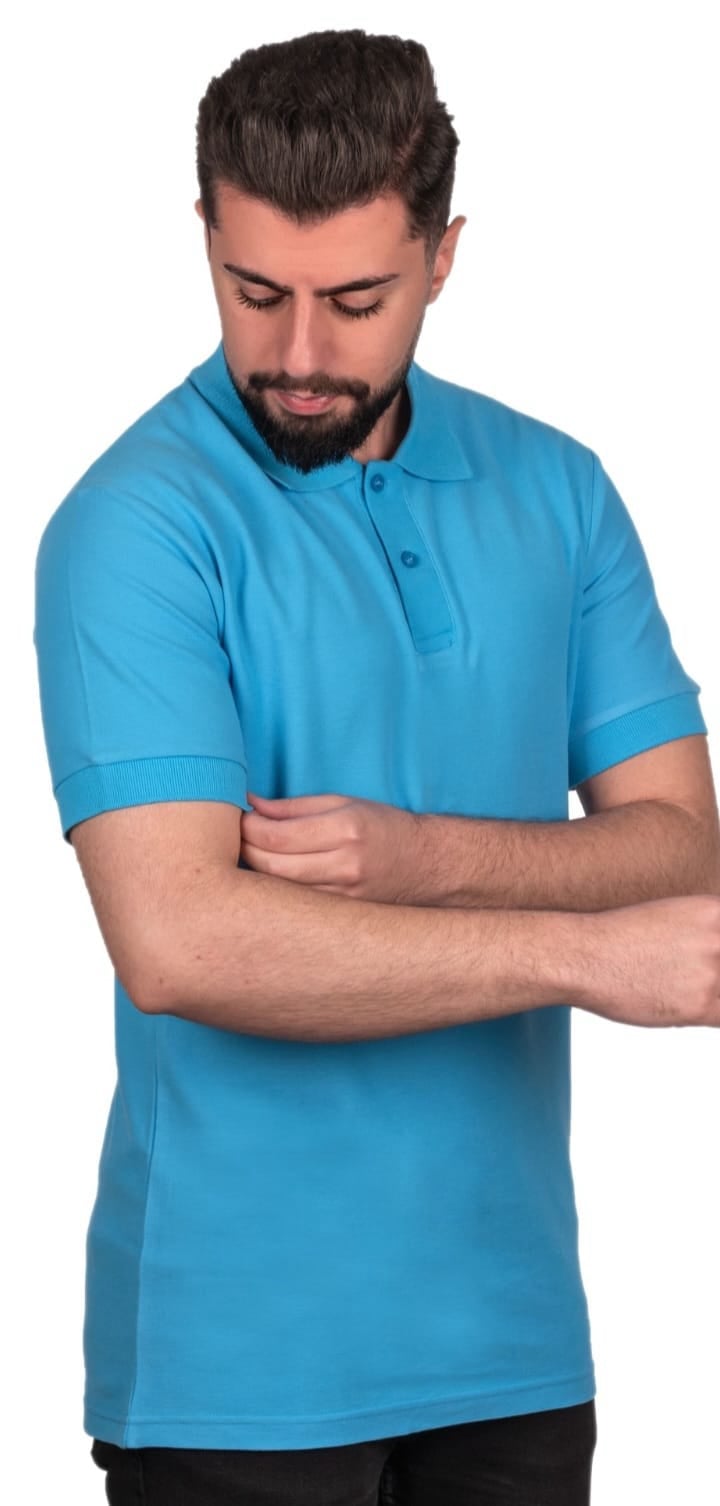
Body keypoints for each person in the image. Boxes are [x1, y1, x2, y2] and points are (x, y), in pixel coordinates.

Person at [33, 27, 720, 1506]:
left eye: (355, 301)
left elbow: (682, 848)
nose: (297, 356)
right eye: (254, 291)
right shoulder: (136, 525)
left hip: (517, 1344)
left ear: (443, 255)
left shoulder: (560, 489)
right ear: (205, 235)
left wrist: (425, 857)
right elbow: (180, 941)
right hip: (232, 1367)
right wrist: (586, 952)